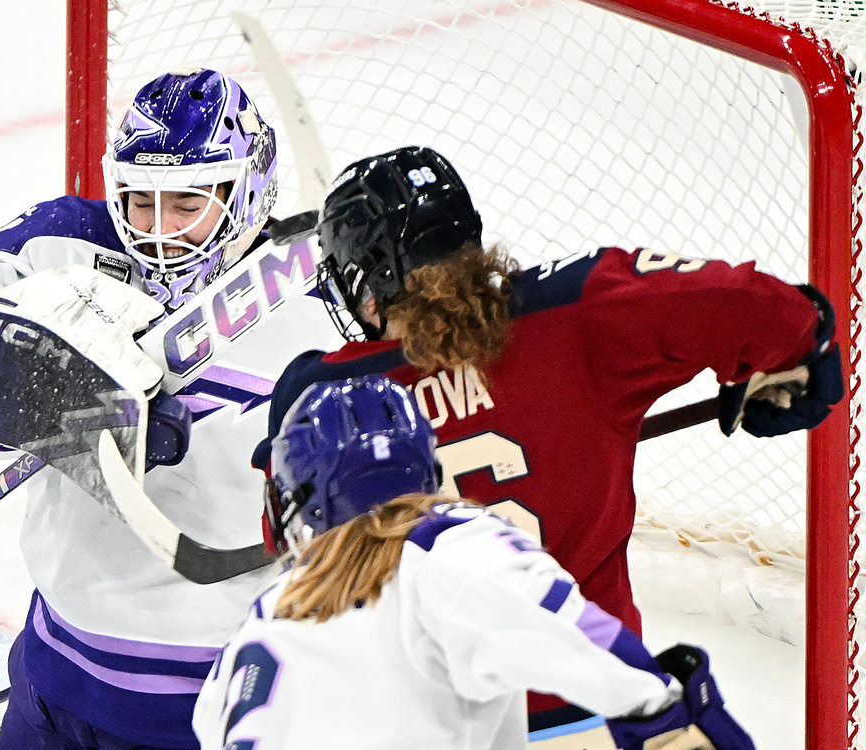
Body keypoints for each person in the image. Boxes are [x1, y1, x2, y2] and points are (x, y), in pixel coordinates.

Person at [251, 145, 843, 742]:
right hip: (599, 701)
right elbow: (763, 309)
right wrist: (797, 355)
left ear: (367, 283)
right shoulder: (575, 310)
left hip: (425, 723)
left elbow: (286, 542)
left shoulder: (321, 390)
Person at [0, 68, 339, 749]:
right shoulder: (57, 247)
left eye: (187, 204)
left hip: (212, 701)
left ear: (245, 190)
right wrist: (62, 393)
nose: (159, 232)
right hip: (52, 670)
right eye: (141, 202)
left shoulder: (319, 312)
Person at [195, 374, 756, 750]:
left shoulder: (262, 613)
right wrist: (669, 707)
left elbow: (208, 724)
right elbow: (582, 640)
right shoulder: (442, 547)